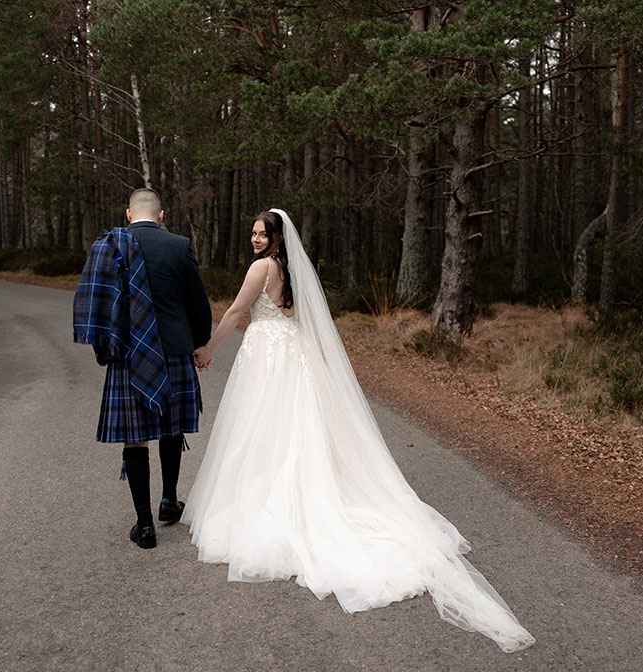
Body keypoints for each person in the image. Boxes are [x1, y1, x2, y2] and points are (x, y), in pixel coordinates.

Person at [185, 209, 535, 653]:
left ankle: (271, 504)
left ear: (276, 239)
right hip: (291, 356)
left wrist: (209, 348)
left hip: (268, 361)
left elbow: (237, 310)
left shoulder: (262, 268)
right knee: (289, 430)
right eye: (252, 233)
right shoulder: (292, 272)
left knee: (264, 431)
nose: (255, 240)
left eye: (262, 234)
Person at [74, 188, 212, 549]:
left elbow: (98, 303)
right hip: (173, 350)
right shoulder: (179, 246)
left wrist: (104, 349)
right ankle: (169, 501)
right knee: (171, 426)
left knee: (135, 438)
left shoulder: (109, 245)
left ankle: (145, 523)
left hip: (129, 353)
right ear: (162, 215)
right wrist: (200, 344)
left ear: (128, 214)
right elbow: (197, 302)